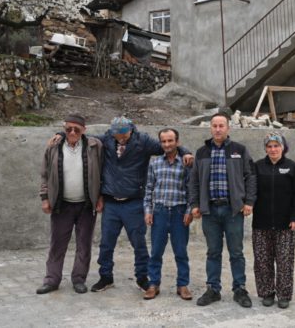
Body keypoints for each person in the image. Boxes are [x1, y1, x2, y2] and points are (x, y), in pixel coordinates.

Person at [85, 116, 193, 295]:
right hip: (111, 203)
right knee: (106, 243)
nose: (120, 138)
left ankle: (143, 278)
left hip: (134, 202)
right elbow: (82, 137)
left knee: (139, 244)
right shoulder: (107, 139)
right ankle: (105, 276)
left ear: (131, 130)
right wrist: (60, 134)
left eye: (124, 135)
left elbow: (167, 146)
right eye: (117, 135)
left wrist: (185, 152)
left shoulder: (143, 141)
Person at [189, 112, 257, 308]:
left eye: (221, 126)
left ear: (228, 128)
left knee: (236, 252)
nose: (218, 129)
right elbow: (193, 181)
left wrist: (249, 201)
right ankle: (213, 289)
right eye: (214, 126)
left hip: (233, 211)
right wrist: (195, 205)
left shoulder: (239, 150)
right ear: (210, 128)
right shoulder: (202, 152)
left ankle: (239, 289)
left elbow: (251, 176)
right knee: (213, 252)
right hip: (210, 211)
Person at [37, 114, 104, 295]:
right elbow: (44, 174)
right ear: (64, 128)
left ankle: (79, 279)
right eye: (68, 129)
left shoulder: (94, 146)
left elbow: (103, 172)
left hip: (86, 205)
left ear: (84, 130)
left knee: (84, 245)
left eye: (77, 129)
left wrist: (100, 197)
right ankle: (52, 280)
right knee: (57, 245)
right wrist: (45, 198)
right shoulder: (53, 146)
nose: (72, 132)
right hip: (62, 205)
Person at [252, 132, 295, 309]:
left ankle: (284, 295)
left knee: (284, 262)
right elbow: (251, 190)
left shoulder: (293, 167)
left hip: (285, 224)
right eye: (269, 146)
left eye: (276, 146)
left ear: (283, 147)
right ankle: (267, 293)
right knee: (262, 261)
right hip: (261, 223)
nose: (273, 149)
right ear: (265, 149)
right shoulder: (258, 167)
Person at [143, 128, 194, 301]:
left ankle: (183, 285)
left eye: (170, 140)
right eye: (163, 141)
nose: (167, 144)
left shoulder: (186, 163)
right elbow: (149, 189)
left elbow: (191, 189)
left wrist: (189, 211)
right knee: (156, 252)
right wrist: (148, 211)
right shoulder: (155, 163)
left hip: (179, 213)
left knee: (181, 252)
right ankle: (153, 284)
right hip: (160, 212)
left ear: (177, 142)